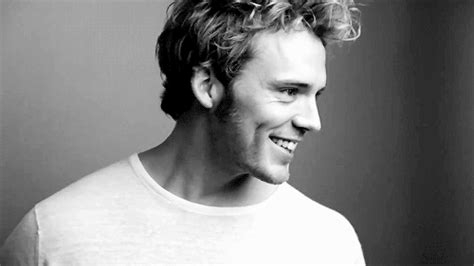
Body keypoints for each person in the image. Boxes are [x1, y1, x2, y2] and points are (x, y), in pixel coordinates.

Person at [1, 0, 364, 264]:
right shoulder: (52, 236)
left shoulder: (329, 243)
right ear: (207, 85)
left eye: (315, 94)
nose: (312, 121)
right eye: (289, 91)